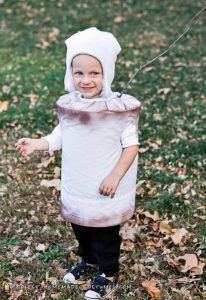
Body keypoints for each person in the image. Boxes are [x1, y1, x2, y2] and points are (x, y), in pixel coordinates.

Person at [15, 27, 141, 299]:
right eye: (79, 72)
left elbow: (131, 147)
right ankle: (88, 261)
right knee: (81, 227)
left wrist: (115, 176)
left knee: (105, 235)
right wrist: (39, 143)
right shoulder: (72, 105)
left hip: (106, 188)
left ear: (107, 73)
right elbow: (61, 134)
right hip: (79, 184)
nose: (86, 80)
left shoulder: (117, 111)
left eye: (95, 73)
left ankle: (108, 273)